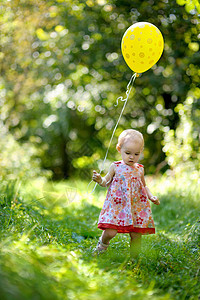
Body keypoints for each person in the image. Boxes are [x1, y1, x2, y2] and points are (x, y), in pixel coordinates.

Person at [92, 129, 160, 258]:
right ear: (119, 149)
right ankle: (102, 244)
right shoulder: (115, 166)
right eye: (128, 153)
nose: (131, 157)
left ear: (141, 152)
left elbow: (144, 186)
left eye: (136, 154)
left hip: (136, 205)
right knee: (111, 232)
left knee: (136, 234)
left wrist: (151, 196)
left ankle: (134, 258)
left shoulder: (140, 169)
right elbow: (106, 182)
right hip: (117, 205)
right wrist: (99, 179)